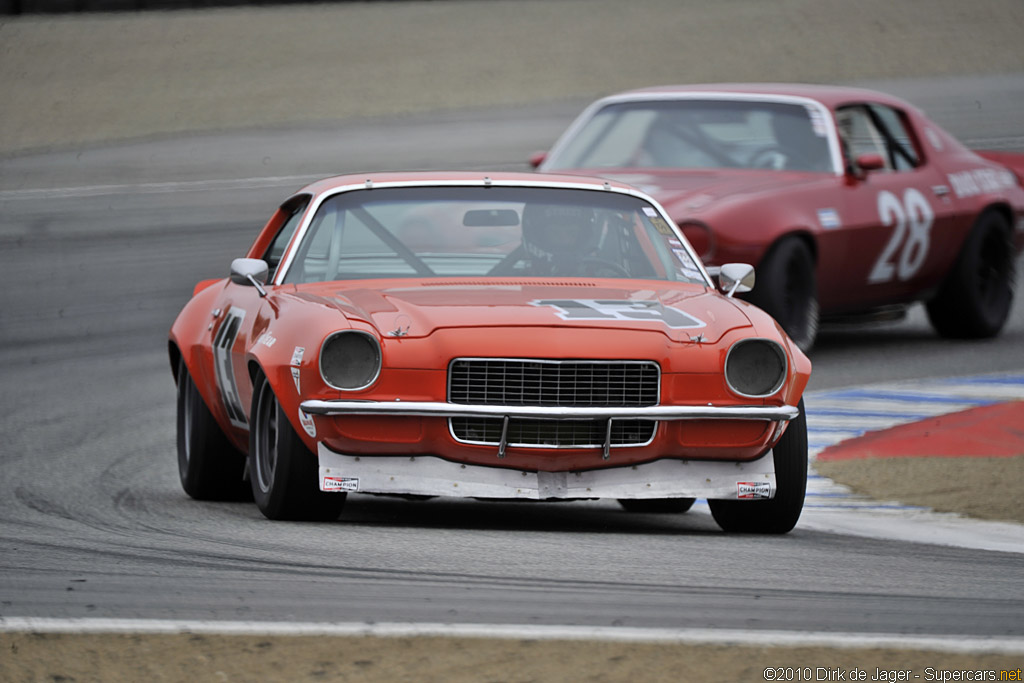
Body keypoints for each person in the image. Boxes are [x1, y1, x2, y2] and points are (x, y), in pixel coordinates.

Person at [519, 202, 603, 276]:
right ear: (540, 236)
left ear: (582, 237)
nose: (564, 240)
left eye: (571, 233)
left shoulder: (601, 275)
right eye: (555, 233)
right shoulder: (519, 277)